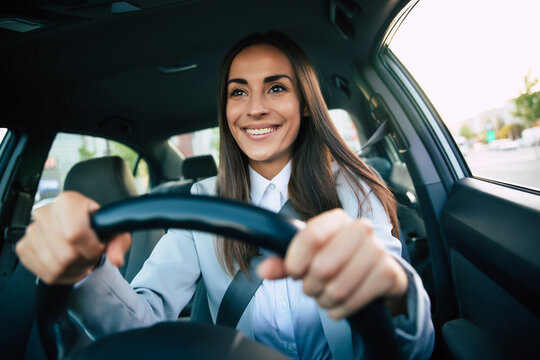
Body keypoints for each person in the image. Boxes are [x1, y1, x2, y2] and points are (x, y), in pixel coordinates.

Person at [16, 32, 434, 359]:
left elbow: (412, 349)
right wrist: (84, 269)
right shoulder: (198, 202)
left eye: (275, 88)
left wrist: (395, 294)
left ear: (306, 103)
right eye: (238, 91)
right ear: (226, 109)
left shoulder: (357, 193)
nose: (254, 108)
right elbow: (139, 326)